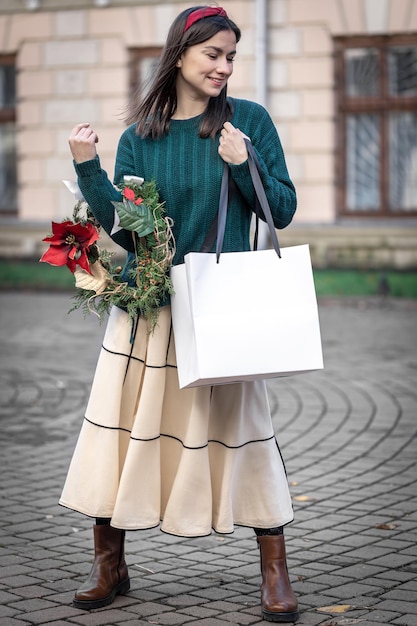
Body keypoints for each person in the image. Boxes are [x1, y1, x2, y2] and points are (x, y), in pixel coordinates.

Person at [60, 5, 298, 623]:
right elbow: (128, 230)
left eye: (230, 57)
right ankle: (109, 563)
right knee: (122, 432)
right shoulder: (142, 137)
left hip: (220, 309)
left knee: (244, 436)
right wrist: (88, 167)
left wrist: (243, 162)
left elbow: (285, 208)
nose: (222, 67)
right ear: (180, 54)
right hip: (151, 306)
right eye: (212, 54)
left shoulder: (248, 120)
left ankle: (275, 567)